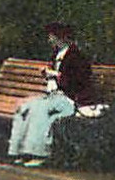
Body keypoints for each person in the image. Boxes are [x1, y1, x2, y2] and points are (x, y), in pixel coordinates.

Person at [6, 22, 96, 167]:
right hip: (55, 97)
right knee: (24, 107)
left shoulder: (77, 56)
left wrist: (56, 75)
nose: (49, 39)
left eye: (51, 36)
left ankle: (38, 154)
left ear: (60, 37)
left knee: (39, 110)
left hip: (71, 100)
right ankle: (20, 151)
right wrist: (50, 76)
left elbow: (79, 82)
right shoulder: (56, 54)